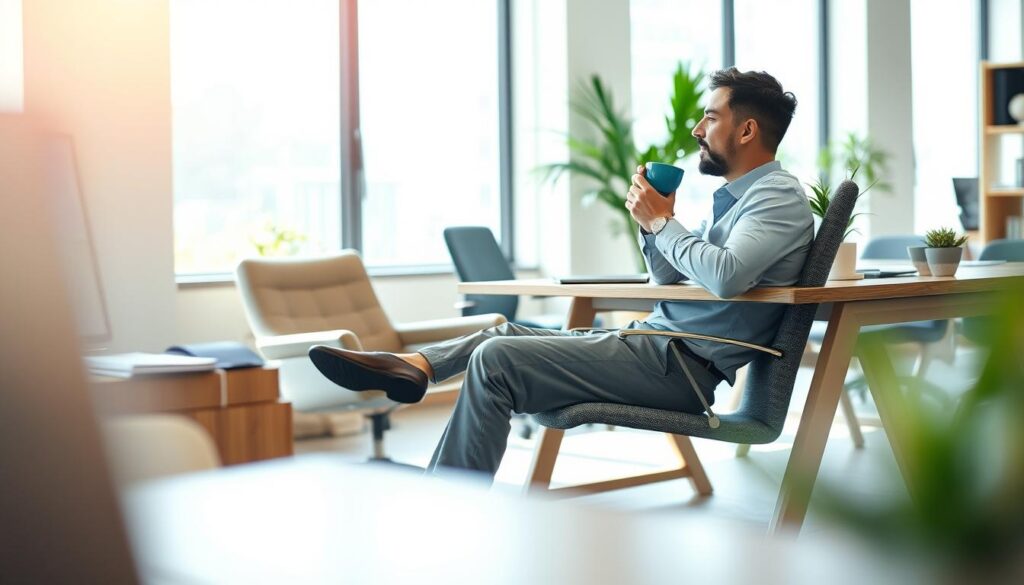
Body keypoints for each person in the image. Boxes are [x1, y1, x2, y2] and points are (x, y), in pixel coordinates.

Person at [308, 68, 813, 480]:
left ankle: (448, 510)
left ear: (746, 130)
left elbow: (724, 277)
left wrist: (664, 222)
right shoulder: (737, 203)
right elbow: (671, 282)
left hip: (675, 365)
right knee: (501, 335)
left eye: (710, 117)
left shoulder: (777, 196)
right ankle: (416, 367)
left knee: (497, 359)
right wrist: (651, 223)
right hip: (654, 347)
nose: (697, 130)